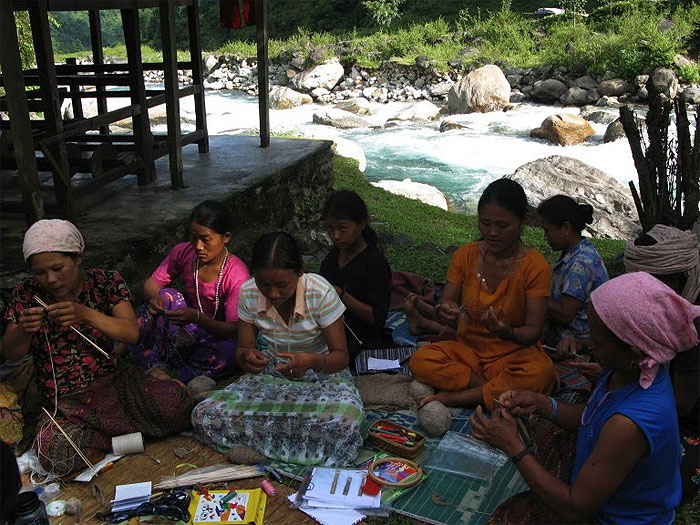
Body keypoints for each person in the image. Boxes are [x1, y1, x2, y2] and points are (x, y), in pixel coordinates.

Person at [471, 272, 693, 523]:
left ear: (631, 351)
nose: (589, 344)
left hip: (602, 518)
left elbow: (576, 508)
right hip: (599, 489)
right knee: (546, 431)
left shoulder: (628, 424)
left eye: (596, 341)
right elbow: (593, 417)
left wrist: (513, 446)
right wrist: (543, 403)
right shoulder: (635, 367)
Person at [1, 220, 193, 476]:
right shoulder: (25, 295)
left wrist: (85, 314)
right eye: (39, 273)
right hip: (66, 404)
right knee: (54, 456)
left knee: (177, 405)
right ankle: (122, 438)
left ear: (78, 257)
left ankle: (106, 436)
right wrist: (23, 328)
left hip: (115, 385)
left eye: (58, 268)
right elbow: (10, 353)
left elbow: (131, 333)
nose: (50, 279)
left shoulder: (105, 282)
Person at [192, 232, 364, 466]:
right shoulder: (249, 292)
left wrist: (312, 362)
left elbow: (340, 357)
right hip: (273, 375)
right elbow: (244, 348)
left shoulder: (320, 292)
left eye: (282, 285)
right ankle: (296, 449)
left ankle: (261, 445)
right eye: (264, 284)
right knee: (203, 414)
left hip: (324, 377)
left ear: (300, 271)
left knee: (345, 420)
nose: (273, 294)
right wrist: (247, 358)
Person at [409, 179, 558, 411]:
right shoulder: (465, 256)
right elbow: (445, 303)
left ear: (523, 222)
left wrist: (507, 332)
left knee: (541, 374)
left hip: (514, 356)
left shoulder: (535, 266)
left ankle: (456, 397)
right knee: (420, 361)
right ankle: (494, 391)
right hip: (468, 351)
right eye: (485, 223)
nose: (492, 233)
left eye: (502, 225)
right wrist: (444, 310)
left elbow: (533, 331)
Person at [130, 201, 249, 382]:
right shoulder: (184, 252)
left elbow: (235, 329)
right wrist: (155, 300)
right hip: (186, 324)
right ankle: (160, 362)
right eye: (193, 238)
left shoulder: (236, 275)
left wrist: (198, 318)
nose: (199, 246)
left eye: (206, 239)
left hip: (217, 333)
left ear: (226, 237)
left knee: (230, 355)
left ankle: (173, 371)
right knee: (166, 297)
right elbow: (151, 285)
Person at [319, 190, 392, 364]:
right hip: (331, 332)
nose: (336, 235)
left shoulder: (375, 263)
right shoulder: (332, 258)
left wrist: (341, 295)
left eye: (343, 228)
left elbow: (377, 318)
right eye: (330, 228)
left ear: (362, 224)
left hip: (361, 339)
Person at [537, 195, 608, 344]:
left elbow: (565, 314)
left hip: (576, 342)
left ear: (566, 228)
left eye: (548, 231)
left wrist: (532, 294)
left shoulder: (580, 263)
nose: (545, 238)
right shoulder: (575, 251)